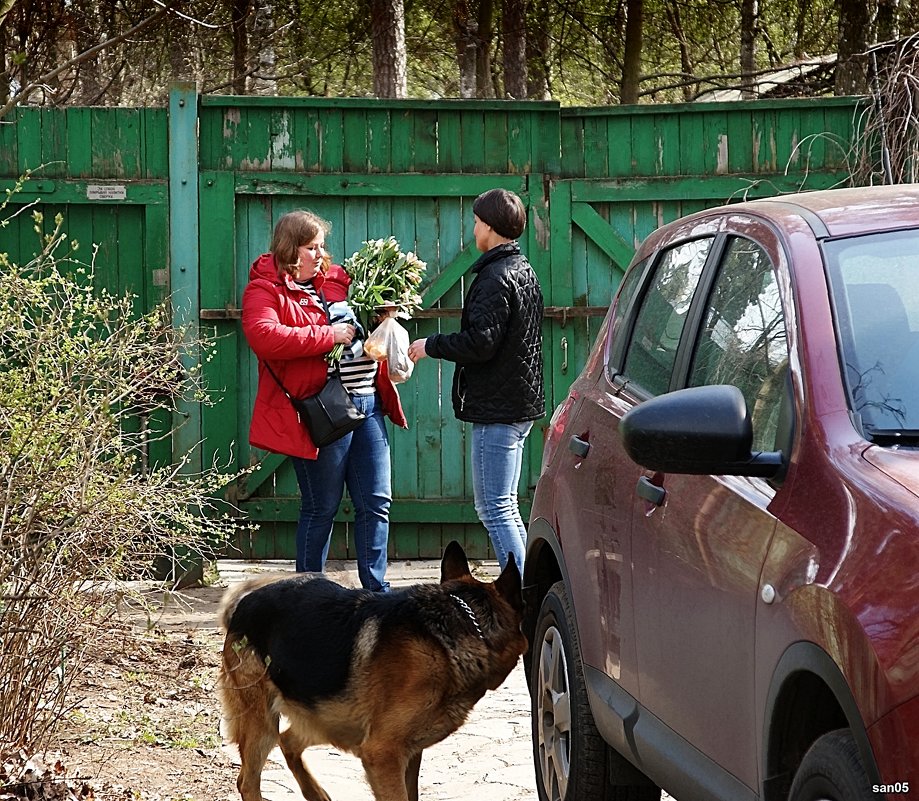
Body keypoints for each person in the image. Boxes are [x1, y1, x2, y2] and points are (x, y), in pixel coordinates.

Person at [242, 210, 407, 591]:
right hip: (324, 410)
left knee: (376, 502)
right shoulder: (265, 290)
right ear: (290, 250)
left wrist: (384, 316)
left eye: (321, 246)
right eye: (311, 247)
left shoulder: (336, 283)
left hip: (367, 404)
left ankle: (376, 593)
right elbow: (265, 336)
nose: (320, 254)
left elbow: (367, 319)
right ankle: (308, 593)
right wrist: (327, 335)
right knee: (322, 506)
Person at [407, 189, 544, 572]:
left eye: (476, 222)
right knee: (507, 507)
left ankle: (520, 597)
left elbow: (481, 342)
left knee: (495, 508)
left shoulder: (495, 276)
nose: (474, 228)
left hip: (500, 409)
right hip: (518, 405)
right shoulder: (522, 269)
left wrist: (430, 345)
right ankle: (526, 591)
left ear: (489, 226)